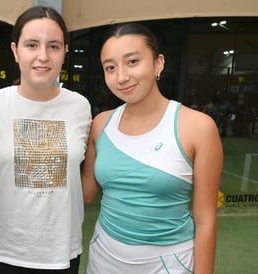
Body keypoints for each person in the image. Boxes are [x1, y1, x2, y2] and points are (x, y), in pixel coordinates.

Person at [81, 23, 223, 274]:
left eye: (133, 61)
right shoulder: (100, 124)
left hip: (168, 264)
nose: (122, 76)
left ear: (158, 63)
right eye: (110, 67)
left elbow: (205, 220)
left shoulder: (198, 127)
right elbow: (86, 194)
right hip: (103, 258)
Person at [0, 6, 91, 274]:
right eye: (32, 45)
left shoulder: (80, 107)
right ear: (15, 50)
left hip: (60, 253)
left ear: (65, 51)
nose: (42, 56)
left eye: (54, 46)